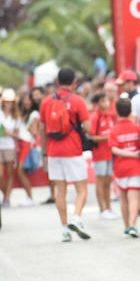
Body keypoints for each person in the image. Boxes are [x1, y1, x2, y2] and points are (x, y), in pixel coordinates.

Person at [39, 67, 92, 242]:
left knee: (60, 190)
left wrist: (45, 153)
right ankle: (76, 217)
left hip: (54, 151)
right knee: (81, 188)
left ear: (57, 82)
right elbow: (88, 127)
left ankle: (65, 229)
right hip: (73, 149)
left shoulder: (46, 101)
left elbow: (42, 128)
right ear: (74, 83)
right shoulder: (77, 100)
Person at [110, 97, 140, 237]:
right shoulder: (137, 128)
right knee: (134, 198)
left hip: (120, 168)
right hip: (135, 167)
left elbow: (114, 149)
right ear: (131, 111)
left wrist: (127, 154)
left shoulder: (114, 130)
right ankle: (133, 225)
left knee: (123, 198)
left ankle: (126, 226)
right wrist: (135, 155)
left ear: (117, 112)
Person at [89, 91, 117, 219]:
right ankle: (102, 209)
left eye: (107, 100)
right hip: (100, 153)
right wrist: (107, 138)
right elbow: (92, 136)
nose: (106, 103)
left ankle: (109, 207)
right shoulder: (95, 117)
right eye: (103, 101)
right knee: (100, 181)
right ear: (98, 103)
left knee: (108, 181)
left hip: (110, 153)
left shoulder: (110, 116)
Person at [0, 88, 19, 207]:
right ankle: (5, 194)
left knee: (10, 173)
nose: (8, 104)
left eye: (10, 102)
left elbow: (16, 134)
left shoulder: (16, 116)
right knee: (0, 174)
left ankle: (7, 197)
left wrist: (8, 132)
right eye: (6, 101)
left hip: (9, 146)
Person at [14, 88, 39, 206]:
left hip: (27, 143)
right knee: (20, 170)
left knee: (20, 170)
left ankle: (30, 197)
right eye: (24, 99)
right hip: (21, 143)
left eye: (28, 99)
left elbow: (34, 131)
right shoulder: (22, 113)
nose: (26, 102)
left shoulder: (34, 114)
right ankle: (29, 196)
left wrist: (29, 128)